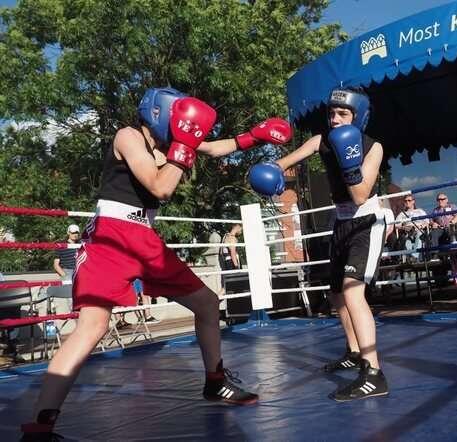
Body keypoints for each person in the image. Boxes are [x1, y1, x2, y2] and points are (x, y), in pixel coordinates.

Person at [20, 87, 293, 439]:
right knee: (92, 326)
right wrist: (182, 148)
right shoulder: (128, 136)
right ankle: (40, 428)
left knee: (207, 303)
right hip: (110, 237)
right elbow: (159, 187)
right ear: (160, 112)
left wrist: (253, 137)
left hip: (144, 236)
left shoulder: (169, 145)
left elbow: (212, 147)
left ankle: (215, 381)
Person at [248, 87, 388, 402]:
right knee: (336, 293)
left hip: (367, 220)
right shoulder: (320, 140)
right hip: (341, 222)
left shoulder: (373, 147)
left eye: (343, 114)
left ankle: (374, 373)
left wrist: (349, 162)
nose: (335, 119)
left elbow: (360, 195)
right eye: (332, 113)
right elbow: (284, 163)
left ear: (358, 117)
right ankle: (354, 351)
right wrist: (268, 173)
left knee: (352, 291)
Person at [395, 195, 429, 262]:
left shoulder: (419, 211)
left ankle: (414, 257)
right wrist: (404, 227)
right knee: (406, 241)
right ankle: (412, 257)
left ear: (413, 201)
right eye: (405, 201)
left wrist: (420, 226)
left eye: (409, 200)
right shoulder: (402, 214)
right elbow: (396, 225)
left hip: (418, 229)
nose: (407, 202)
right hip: (408, 232)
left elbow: (427, 222)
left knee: (419, 235)